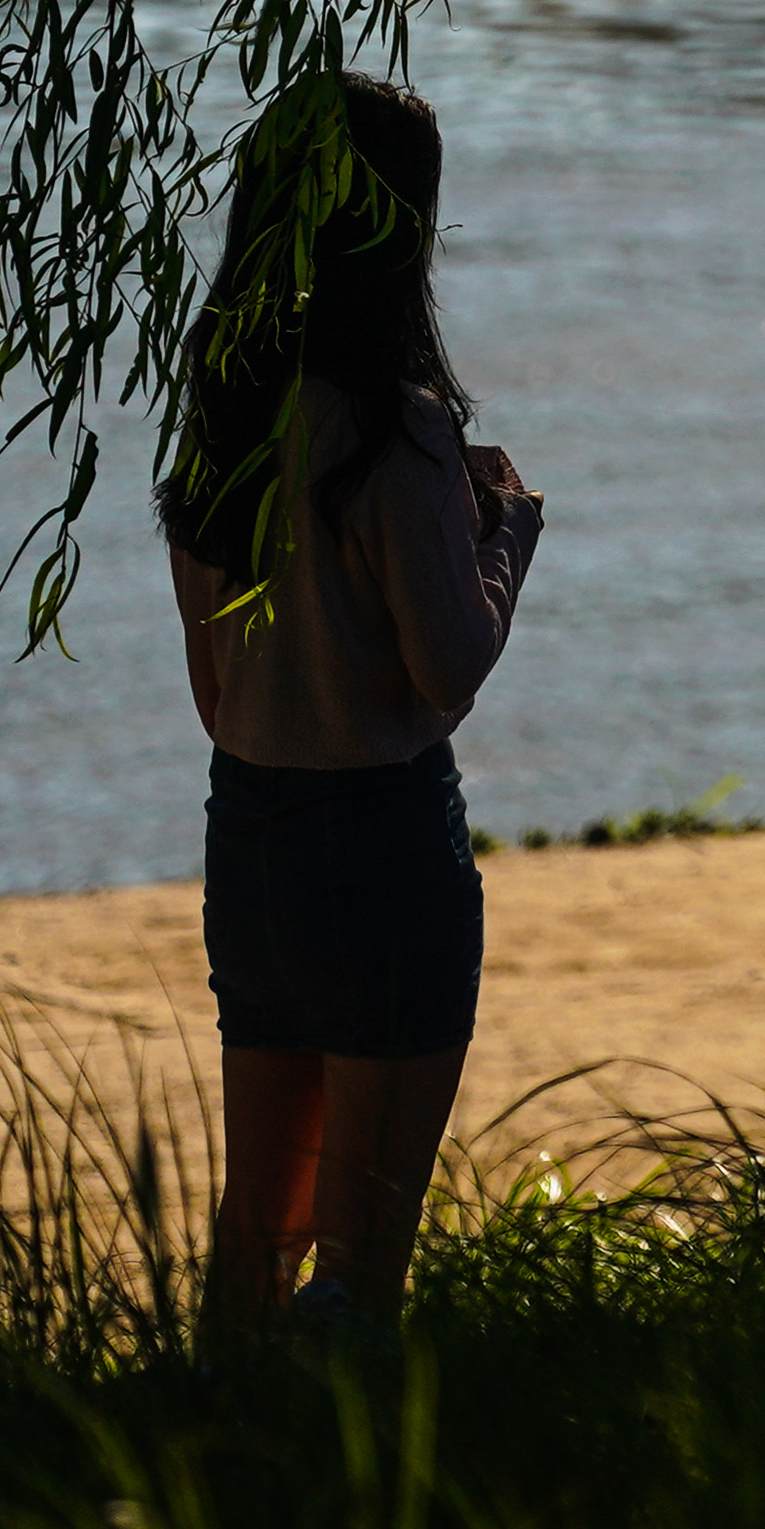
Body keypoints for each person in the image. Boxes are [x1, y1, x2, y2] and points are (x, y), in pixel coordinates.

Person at [153, 69, 544, 1323]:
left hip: (252, 840)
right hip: (381, 844)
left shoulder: (222, 415)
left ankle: (222, 1417)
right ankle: (345, 1432)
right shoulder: (396, 430)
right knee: (362, 1259)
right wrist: (506, 533)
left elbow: (215, 694)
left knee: (256, 1232)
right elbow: (448, 668)